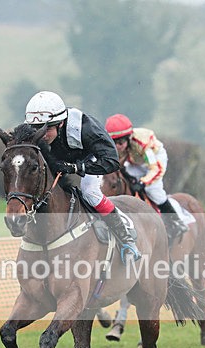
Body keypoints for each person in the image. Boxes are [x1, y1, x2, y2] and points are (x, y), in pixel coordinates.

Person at [24, 91, 140, 263]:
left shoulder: (85, 128)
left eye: (48, 128)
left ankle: (126, 239)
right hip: (60, 157)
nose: (42, 134)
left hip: (89, 157)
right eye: (37, 129)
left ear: (61, 123)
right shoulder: (39, 130)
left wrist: (78, 167)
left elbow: (111, 161)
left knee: (90, 192)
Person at [104, 113, 188, 239]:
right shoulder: (119, 147)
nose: (118, 146)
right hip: (135, 160)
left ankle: (176, 221)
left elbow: (154, 169)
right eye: (114, 142)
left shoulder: (141, 143)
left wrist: (143, 182)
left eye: (121, 142)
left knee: (152, 189)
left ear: (128, 138)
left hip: (154, 159)